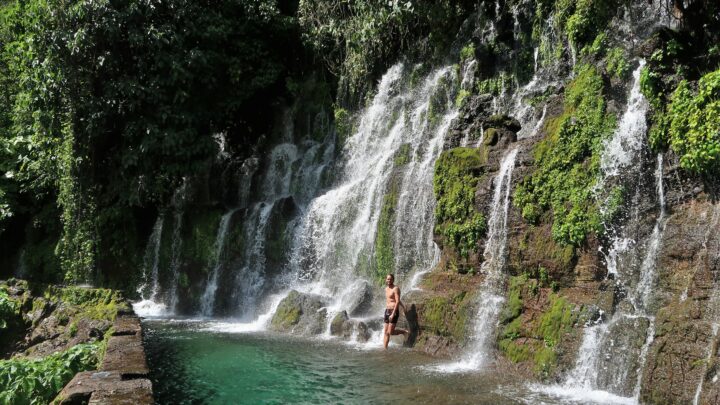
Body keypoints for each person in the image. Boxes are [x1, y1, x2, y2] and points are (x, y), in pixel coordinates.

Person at [383, 274, 408, 349]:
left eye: (390, 279)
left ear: (393, 280)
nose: (389, 280)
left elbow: (397, 301)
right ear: (386, 280)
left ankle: (403, 332)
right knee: (385, 332)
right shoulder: (386, 289)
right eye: (388, 279)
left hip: (393, 311)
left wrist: (393, 314)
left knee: (390, 332)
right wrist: (403, 307)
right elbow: (391, 300)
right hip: (387, 310)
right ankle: (385, 349)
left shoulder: (396, 288)